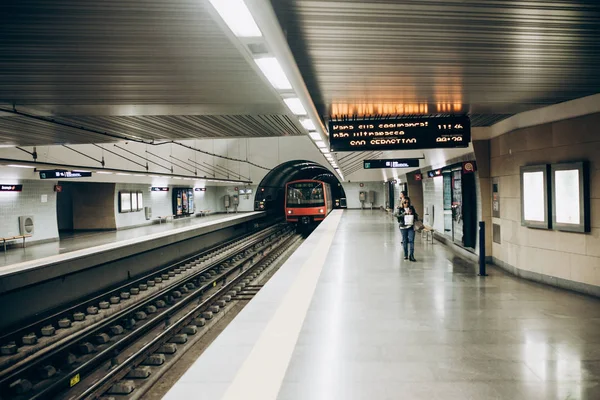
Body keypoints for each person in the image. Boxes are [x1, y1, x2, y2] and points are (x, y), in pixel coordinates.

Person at [396, 197, 418, 262]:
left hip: (411, 226)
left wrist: (413, 214)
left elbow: (416, 215)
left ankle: (411, 255)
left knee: (411, 240)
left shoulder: (411, 208)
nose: (406, 204)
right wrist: (404, 214)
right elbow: (397, 217)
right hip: (403, 227)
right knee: (405, 240)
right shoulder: (400, 209)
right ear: (402, 203)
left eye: (408, 202)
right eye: (405, 202)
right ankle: (406, 254)